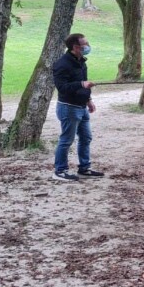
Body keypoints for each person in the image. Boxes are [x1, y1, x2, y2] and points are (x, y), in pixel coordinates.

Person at [52, 33, 102, 181]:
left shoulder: (81, 61)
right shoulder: (62, 64)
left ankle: (84, 168)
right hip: (68, 107)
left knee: (86, 138)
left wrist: (89, 100)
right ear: (75, 46)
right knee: (67, 140)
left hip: (82, 107)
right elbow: (62, 87)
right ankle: (59, 171)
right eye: (85, 44)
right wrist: (81, 84)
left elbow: (84, 82)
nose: (88, 46)